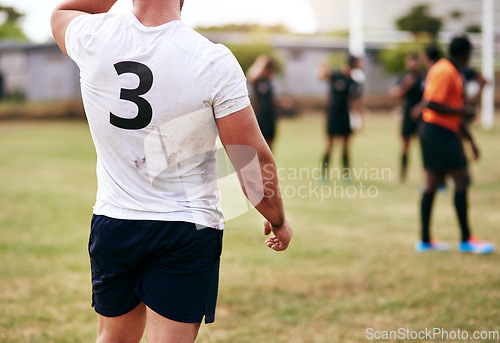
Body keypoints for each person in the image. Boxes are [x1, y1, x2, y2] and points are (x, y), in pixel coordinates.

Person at [51, 1, 293, 342]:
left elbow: (64, 11)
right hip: (186, 228)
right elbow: (250, 157)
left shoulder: (93, 37)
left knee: (112, 338)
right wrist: (277, 217)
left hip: (116, 221)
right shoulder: (211, 59)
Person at [416, 35, 493, 254]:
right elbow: (431, 103)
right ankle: (466, 239)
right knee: (461, 178)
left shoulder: (453, 71)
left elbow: (452, 111)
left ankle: (425, 241)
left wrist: (471, 141)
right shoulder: (445, 70)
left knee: (432, 184)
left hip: (439, 131)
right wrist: (464, 111)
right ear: (466, 52)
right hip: (437, 131)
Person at [318, 54, 363, 182]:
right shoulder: (336, 76)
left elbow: (355, 102)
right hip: (333, 115)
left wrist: (357, 119)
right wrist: (322, 66)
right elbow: (321, 76)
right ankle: (323, 174)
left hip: (345, 116)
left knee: (345, 146)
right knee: (330, 145)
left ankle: (346, 175)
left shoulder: (353, 83)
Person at [390, 53, 424, 183]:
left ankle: (427, 175)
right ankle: (403, 175)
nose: (413, 64)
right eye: (410, 61)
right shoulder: (404, 77)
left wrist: (420, 108)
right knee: (405, 146)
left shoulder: (424, 77)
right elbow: (394, 94)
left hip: (422, 117)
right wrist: (405, 86)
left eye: (415, 61)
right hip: (407, 116)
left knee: (424, 146)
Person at [247, 55, 278, 151]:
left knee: (270, 145)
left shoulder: (269, 82)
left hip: (270, 117)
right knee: (259, 147)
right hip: (260, 117)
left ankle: (268, 166)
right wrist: (262, 62)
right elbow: (250, 74)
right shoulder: (257, 80)